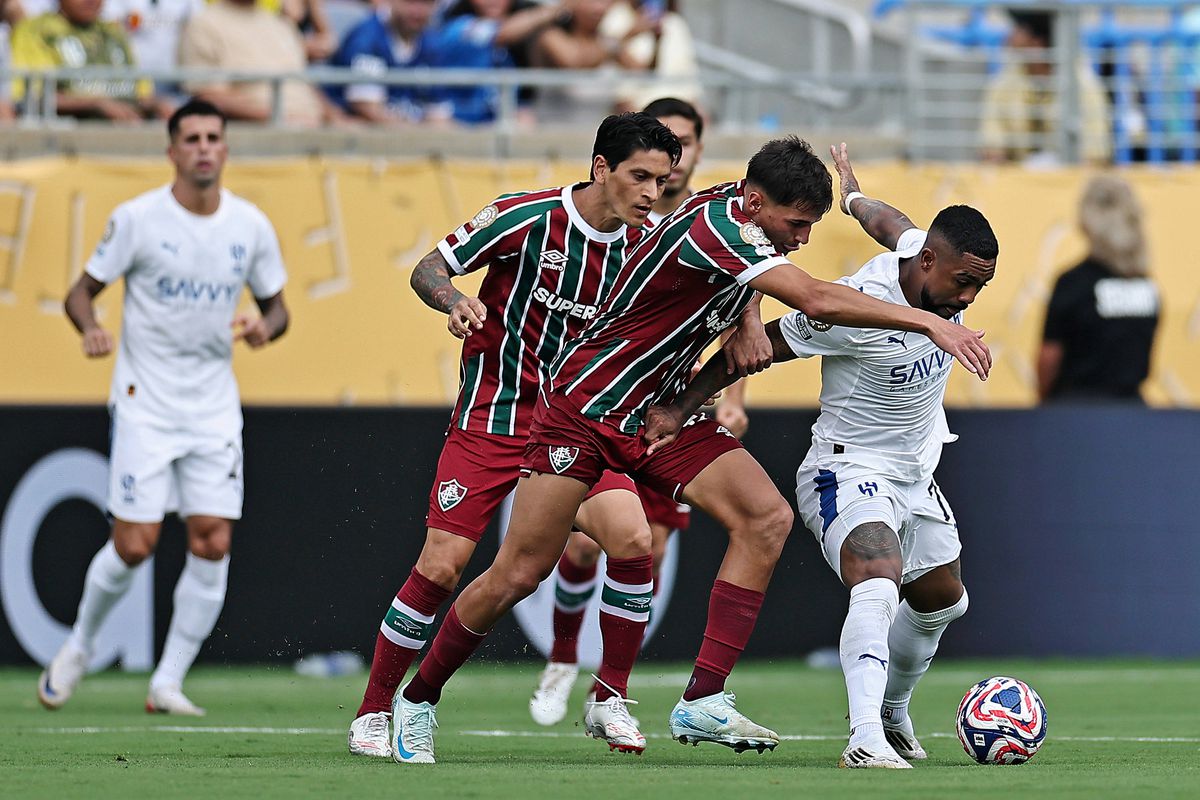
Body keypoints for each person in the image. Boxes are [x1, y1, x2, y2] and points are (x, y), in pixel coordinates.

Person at [393, 134, 992, 763]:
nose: (802, 238)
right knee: (521, 570)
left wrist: (748, 316)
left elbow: (769, 271)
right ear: (756, 202)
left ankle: (702, 698)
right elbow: (813, 297)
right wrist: (929, 323)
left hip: (659, 413)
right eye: (796, 224)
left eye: (811, 225)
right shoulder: (717, 228)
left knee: (766, 517)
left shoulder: (741, 216)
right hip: (586, 408)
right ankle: (419, 698)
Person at [346, 113, 684, 762]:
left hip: (575, 429)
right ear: (601, 169)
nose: (649, 193)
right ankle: (375, 708)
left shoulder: (649, 248)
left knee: (634, 538)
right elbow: (428, 269)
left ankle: (608, 694)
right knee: (443, 565)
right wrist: (454, 301)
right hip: (492, 419)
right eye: (639, 177)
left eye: (662, 183)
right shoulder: (524, 217)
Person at [657, 143, 997, 768]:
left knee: (945, 600)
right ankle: (864, 736)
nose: (969, 298)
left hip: (917, 473)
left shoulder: (920, 254)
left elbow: (889, 223)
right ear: (929, 263)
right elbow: (767, 347)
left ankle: (891, 710)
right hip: (847, 467)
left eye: (980, 285)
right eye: (963, 282)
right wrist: (682, 408)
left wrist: (854, 192)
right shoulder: (855, 306)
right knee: (877, 577)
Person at [41, 99, 290, 716]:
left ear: (226, 149)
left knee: (211, 541)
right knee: (134, 544)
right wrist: (90, 328)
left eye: (214, 137)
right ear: (172, 150)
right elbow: (81, 294)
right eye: (192, 138)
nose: (204, 147)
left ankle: (167, 682)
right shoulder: (138, 219)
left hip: (211, 406)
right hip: (144, 401)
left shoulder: (250, 226)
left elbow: (280, 308)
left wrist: (265, 328)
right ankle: (79, 645)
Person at [529, 97, 743, 727]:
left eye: (681, 146)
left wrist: (729, 399)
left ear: (696, 152)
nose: (661, 174)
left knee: (646, 543)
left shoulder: (714, 223)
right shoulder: (619, 222)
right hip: (596, 407)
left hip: (666, 414)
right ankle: (564, 657)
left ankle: (608, 690)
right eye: (648, 163)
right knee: (581, 546)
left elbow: (738, 314)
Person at [1038, 174, 1159, 403]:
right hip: (1131, 412)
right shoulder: (1146, 286)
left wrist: (1046, 409)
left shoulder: (1073, 283)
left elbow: (1048, 359)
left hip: (1076, 412)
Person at [979, 9, 1111, 164]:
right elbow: (991, 144)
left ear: (1038, 42)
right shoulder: (1004, 83)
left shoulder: (1083, 85)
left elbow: (1095, 154)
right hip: (1018, 178)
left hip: (1068, 178)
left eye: (1019, 29)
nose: (1010, 36)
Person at [179, 0, 341, 126]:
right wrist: (280, 118)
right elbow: (208, 97)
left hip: (314, 132)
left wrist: (337, 118)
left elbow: (303, 84)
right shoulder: (204, 24)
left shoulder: (281, 24)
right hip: (261, 139)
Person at [9, 0, 171, 121]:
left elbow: (141, 94)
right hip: (69, 142)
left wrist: (158, 104)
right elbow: (33, 97)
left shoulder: (114, 32)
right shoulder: (35, 31)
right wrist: (95, 104)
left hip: (125, 136)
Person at [326, 0, 441, 123]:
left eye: (427, 3)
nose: (418, 11)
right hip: (364, 135)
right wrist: (419, 134)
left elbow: (438, 113)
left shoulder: (432, 43)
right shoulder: (367, 38)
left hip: (411, 131)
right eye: (410, 2)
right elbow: (368, 109)